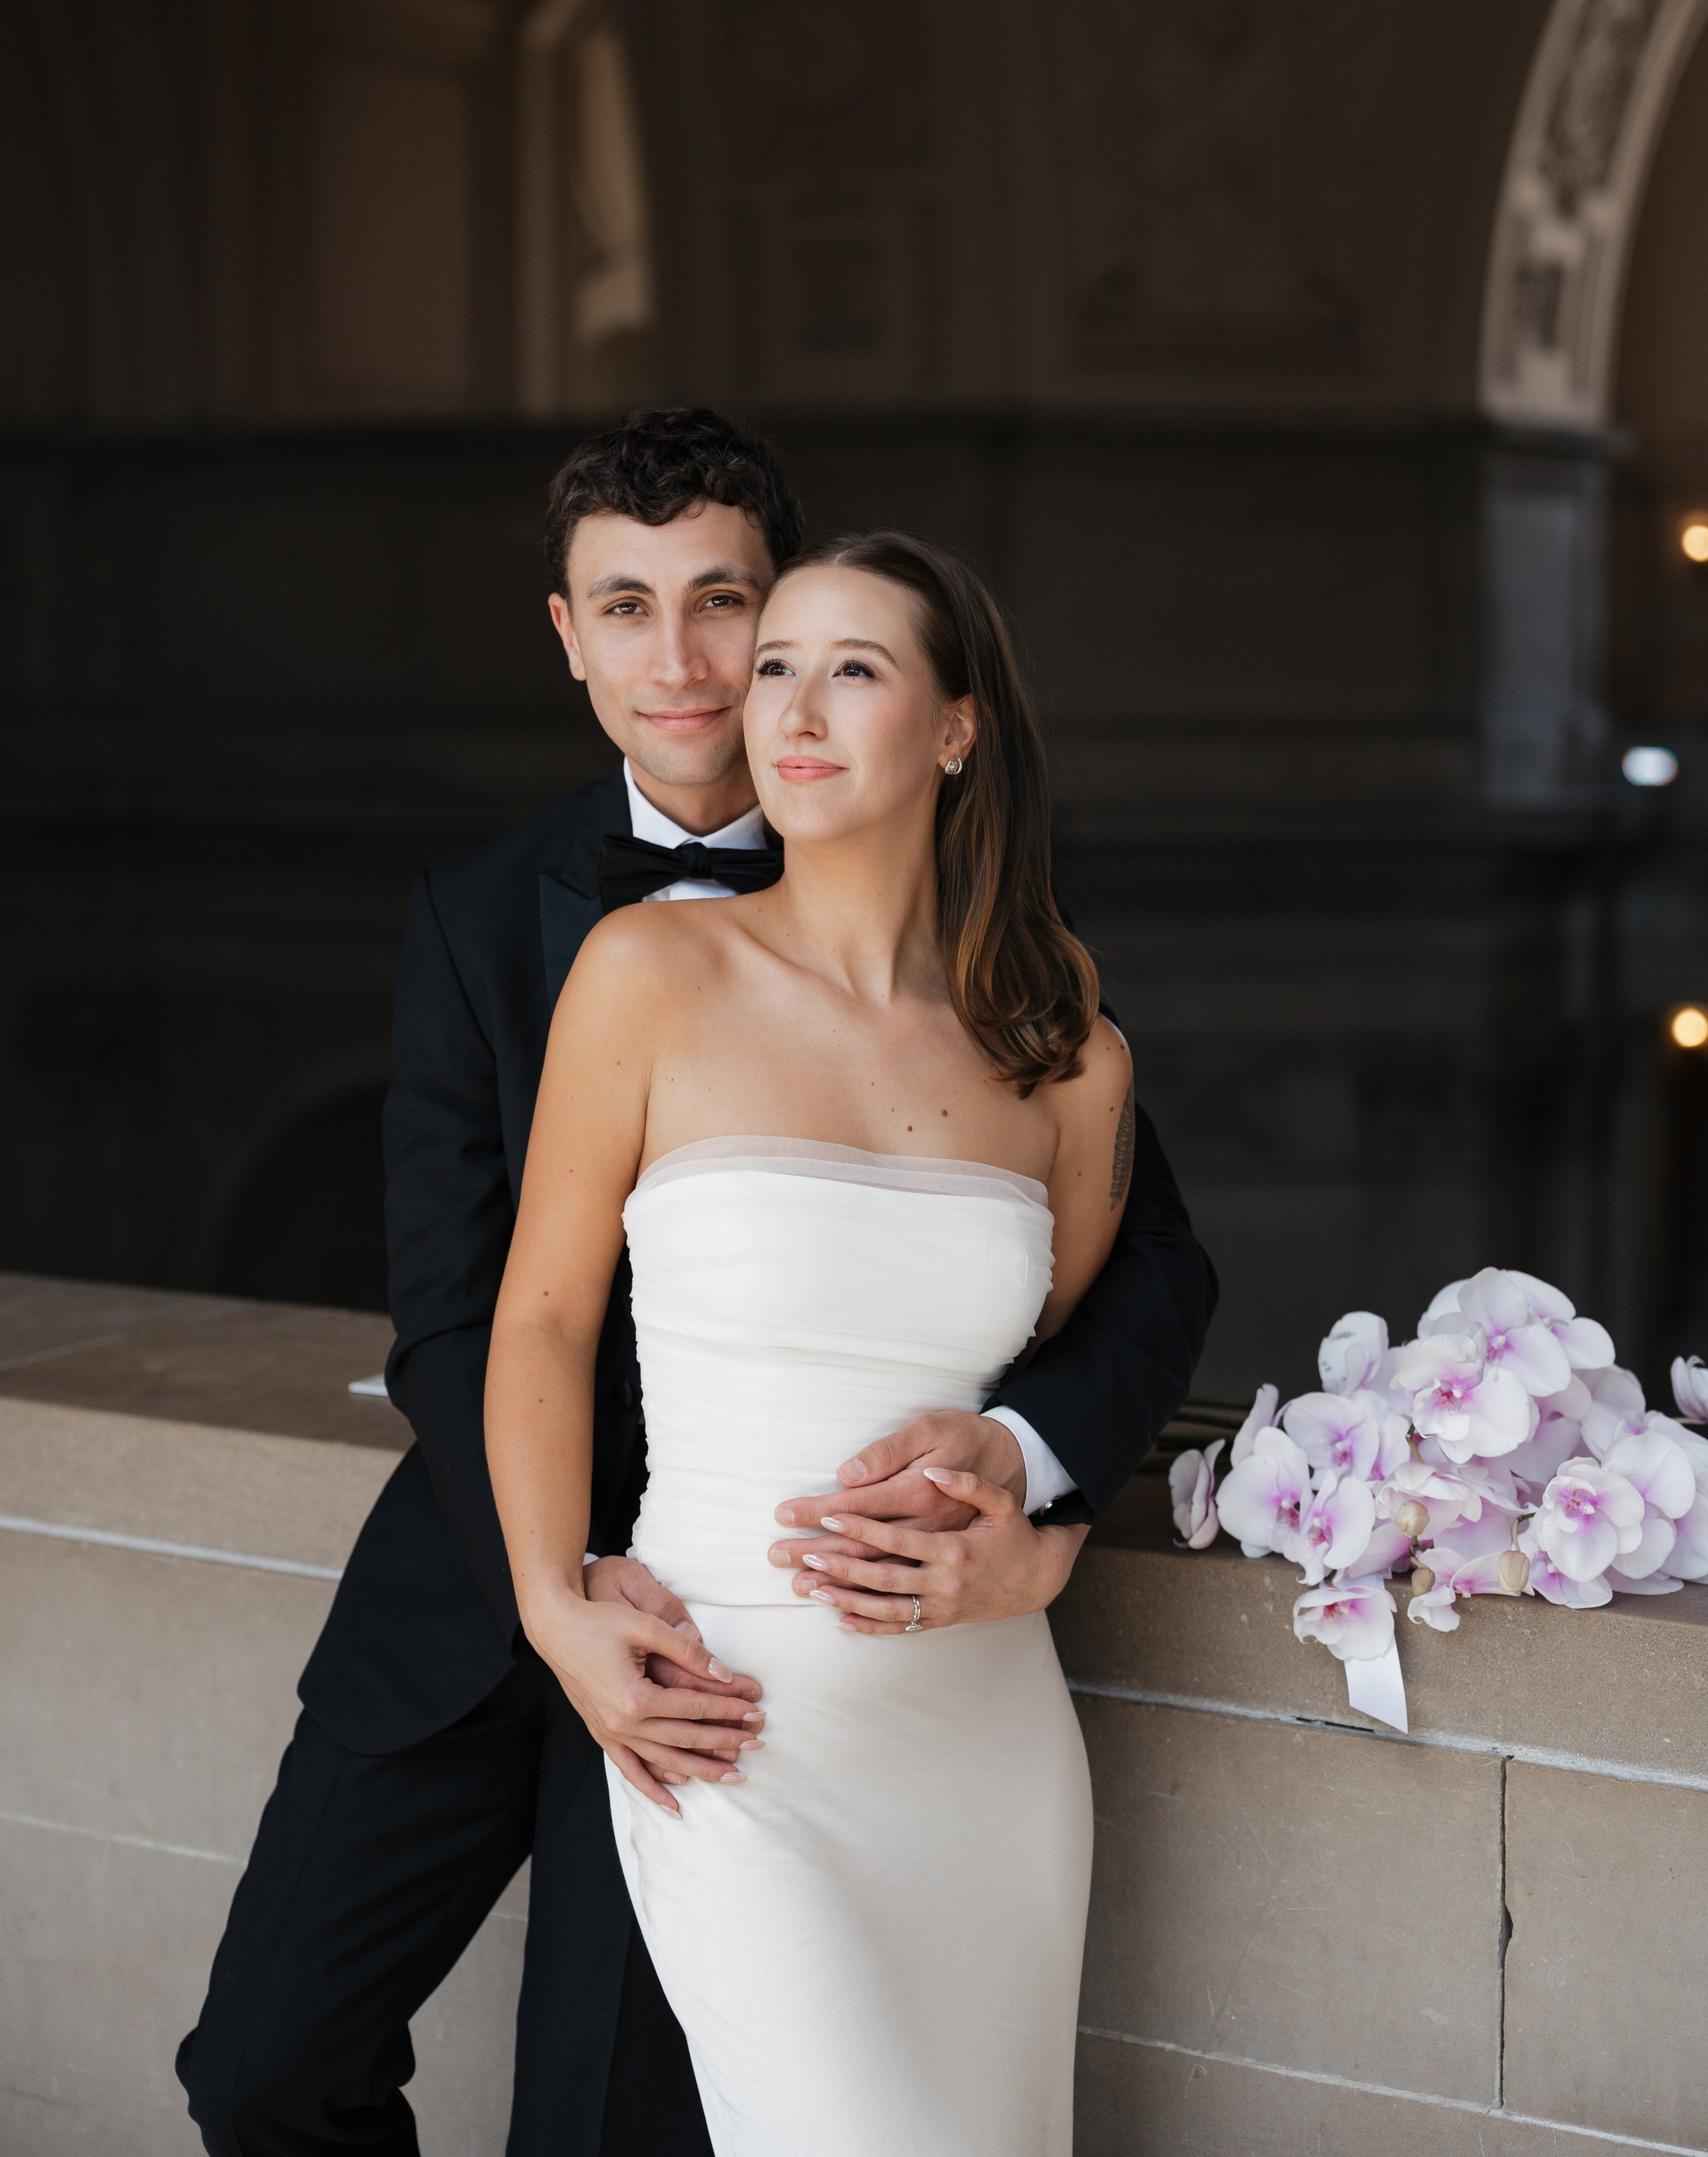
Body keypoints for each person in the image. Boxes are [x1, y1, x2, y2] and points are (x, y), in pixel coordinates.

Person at [178, 411, 1216, 2157]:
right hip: (507, 1596)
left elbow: (1136, 1272)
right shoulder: (505, 918)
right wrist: (564, 1587)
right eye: (627, 607)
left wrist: (1025, 1491)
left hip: (785, 1669)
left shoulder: (1005, 963)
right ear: (567, 637)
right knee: (267, 2070)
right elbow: (474, 1307)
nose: (691, 663)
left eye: (729, 605)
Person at [486, 530, 1136, 2153]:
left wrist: (1048, 1548)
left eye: (852, 668)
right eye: (775, 663)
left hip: (980, 1729)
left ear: (954, 728)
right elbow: (543, 1318)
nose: (787, 703)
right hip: (729, 1715)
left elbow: (1059, 1376)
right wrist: (552, 1605)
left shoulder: (1067, 1050)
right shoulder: (648, 973)